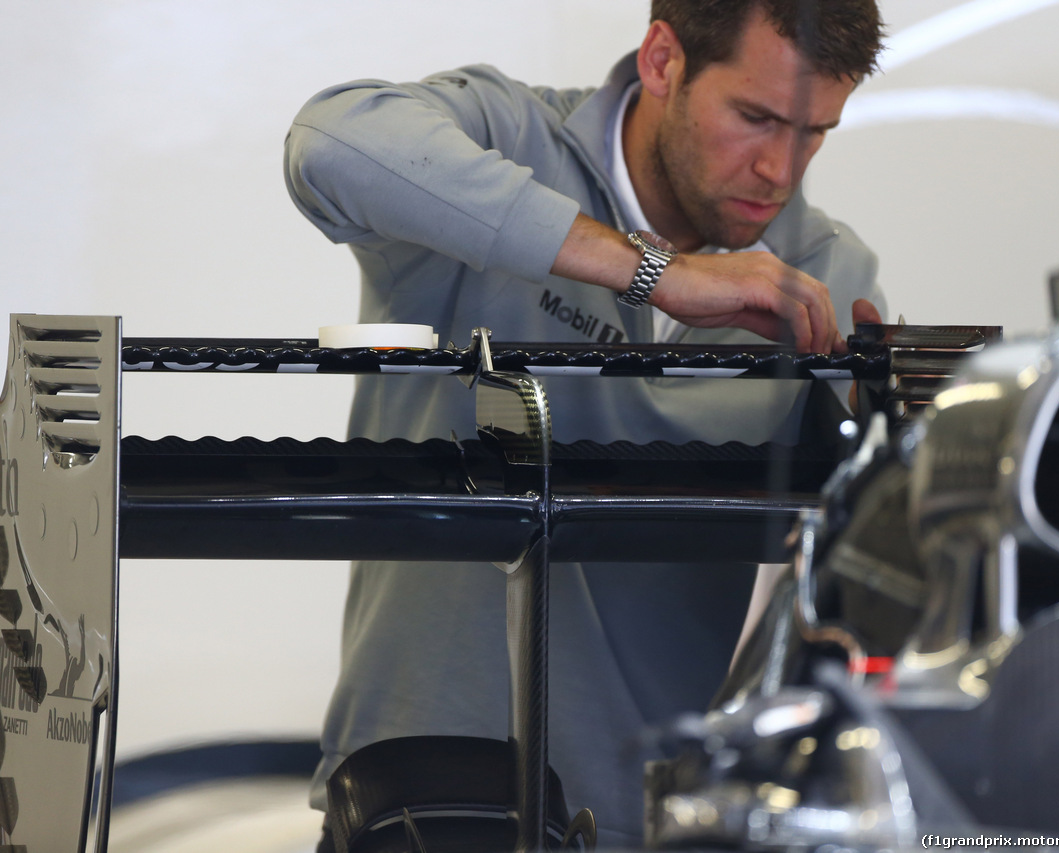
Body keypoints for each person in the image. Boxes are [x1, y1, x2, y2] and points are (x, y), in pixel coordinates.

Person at [284, 0, 886, 846]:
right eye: (755, 118)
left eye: (815, 131)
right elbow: (331, 143)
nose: (781, 169)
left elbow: (868, 565)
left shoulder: (819, 273)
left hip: (650, 819)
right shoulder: (506, 137)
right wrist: (656, 273)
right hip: (417, 802)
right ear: (663, 60)